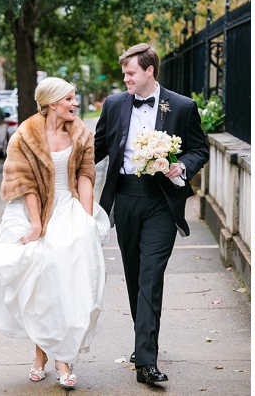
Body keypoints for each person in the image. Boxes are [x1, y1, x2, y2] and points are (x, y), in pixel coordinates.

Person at [0, 77, 110, 389]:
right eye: (69, 99)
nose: (75, 104)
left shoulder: (81, 133)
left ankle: (61, 355)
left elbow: (86, 176)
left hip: (71, 206)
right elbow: (25, 185)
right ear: (51, 103)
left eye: (74, 98)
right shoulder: (25, 135)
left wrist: (87, 219)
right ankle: (46, 356)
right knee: (43, 281)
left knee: (72, 282)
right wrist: (37, 225)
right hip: (35, 209)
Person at [94, 43, 209, 384]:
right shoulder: (114, 104)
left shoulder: (182, 106)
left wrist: (181, 168)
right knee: (134, 275)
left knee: (151, 277)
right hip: (125, 198)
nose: (125, 78)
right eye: (124, 73)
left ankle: (146, 360)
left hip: (161, 200)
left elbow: (199, 148)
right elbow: (97, 148)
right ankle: (142, 340)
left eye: (130, 73)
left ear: (149, 71)